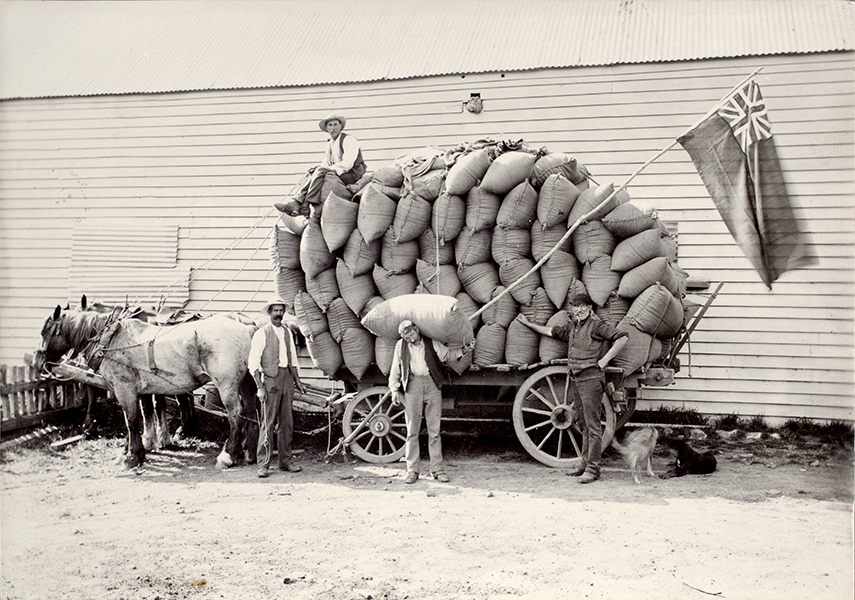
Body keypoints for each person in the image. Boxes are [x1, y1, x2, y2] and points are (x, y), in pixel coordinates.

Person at [516, 288, 628, 484]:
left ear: (590, 308)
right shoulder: (573, 327)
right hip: (576, 378)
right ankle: (584, 464)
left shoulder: (596, 325)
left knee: (593, 426)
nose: (579, 310)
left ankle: (593, 469)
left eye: (582, 307)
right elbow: (552, 331)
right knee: (583, 423)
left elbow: (622, 338)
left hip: (591, 379)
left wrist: (604, 361)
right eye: (576, 307)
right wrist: (529, 324)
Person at [388, 320, 471, 484]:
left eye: (411, 333)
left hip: (432, 385)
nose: (410, 338)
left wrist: (464, 350)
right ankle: (412, 470)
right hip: (412, 386)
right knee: (412, 431)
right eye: (406, 336)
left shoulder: (431, 342)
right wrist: (394, 390)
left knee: (434, 431)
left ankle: (437, 470)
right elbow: (395, 369)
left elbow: (448, 355)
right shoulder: (400, 346)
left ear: (416, 329)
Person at [248, 298, 304, 478]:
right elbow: (253, 363)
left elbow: (293, 360)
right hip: (270, 380)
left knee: (287, 423)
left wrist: (298, 381)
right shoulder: (262, 333)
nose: (279, 314)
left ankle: (285, 461)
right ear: (270, 312)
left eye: (281, 311)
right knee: (268, 422)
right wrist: (260, 387)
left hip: (287, 379)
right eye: (275, 311)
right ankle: (263, 464)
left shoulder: (287, 332)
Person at [276, 114, 366, 218]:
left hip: (352, 174)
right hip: (340, 172)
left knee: (320, 171)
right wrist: (318, 168)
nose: (333, 128)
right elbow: (326, 163)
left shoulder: (349, 140)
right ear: (327, 129)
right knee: (315, 172)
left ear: (340, 126)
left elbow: (347, 164)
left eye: (335, 125)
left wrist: (325, 169)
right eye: (330, 125)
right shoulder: (330, 144)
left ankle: (303, 204)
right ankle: (299, 203)